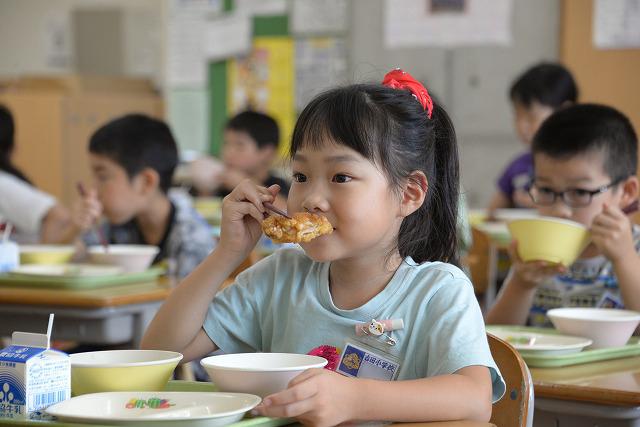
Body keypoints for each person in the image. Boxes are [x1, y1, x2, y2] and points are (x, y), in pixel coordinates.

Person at [142, 69, 505, 424]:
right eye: (300, 176)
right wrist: (227, 254)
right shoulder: (278, 276)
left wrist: (355, 399)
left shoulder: (437, 291)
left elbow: (474, 400)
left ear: (408, 194)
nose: (312, 198)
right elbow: (159, 355)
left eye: (341, 177)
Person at [486, 104, 640, 327]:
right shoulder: (536, 253)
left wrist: (624, 258)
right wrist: (521, 283)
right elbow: (495, 344)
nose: (560, 210)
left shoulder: (634, 249)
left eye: (579, 192)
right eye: (546, 190)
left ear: (626, 192)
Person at [66, 114, 214, 279]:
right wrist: (76, 228)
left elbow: (194, 302)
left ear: (146, 182)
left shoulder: (192, 240)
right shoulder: (120, 224)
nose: (93, 189)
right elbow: (69, 265)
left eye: (102, 177)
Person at [487, 63, 578, 216]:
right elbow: (491, 213)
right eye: (517, 116)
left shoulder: (579, 167)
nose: (521, 126)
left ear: (564, 112)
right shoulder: (518, 166)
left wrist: (541, 205)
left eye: (531, 118)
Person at [190, 111, 289, 208]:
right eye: (226, 143)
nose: (228, 152)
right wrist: (205, 188)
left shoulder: (278, 186)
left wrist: (243, 183)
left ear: (267, 152)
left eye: (239, 146)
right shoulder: (220, 185)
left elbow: (287, 212)